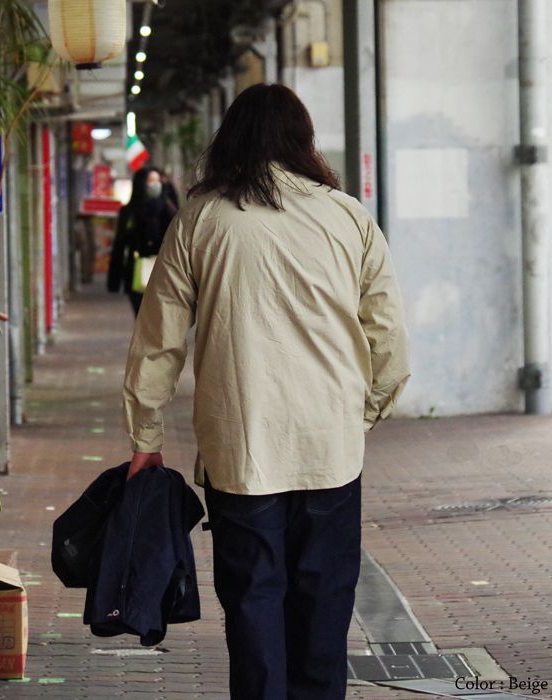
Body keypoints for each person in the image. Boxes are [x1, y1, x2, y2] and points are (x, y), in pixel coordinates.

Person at [121, 83, 410, 699]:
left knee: (253, 603)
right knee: (326, 605)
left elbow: (159, 340)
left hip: (240, 451)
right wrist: (356, 418)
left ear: (230, 140)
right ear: (303, 141)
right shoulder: (347, 216)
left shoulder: (201, 218)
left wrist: (146, 436)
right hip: (329, 450)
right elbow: (388, 340)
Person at [107, 166, 173, 315]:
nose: (155, 184)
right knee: (141, 315)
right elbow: (120, 243)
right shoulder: (129, 211)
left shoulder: (167, 208)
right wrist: (114, 280)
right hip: (136, 269)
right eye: (151, 181)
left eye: (158, 181)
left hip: (163, 269)